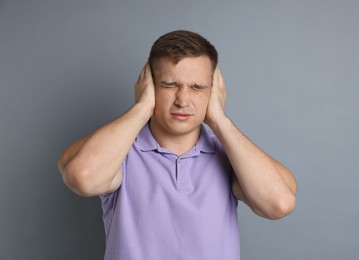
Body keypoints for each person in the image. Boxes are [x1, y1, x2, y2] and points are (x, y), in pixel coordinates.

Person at [58, 30, 297, 260]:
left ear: (214, 91)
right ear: (149, 86)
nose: (183, 100)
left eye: (197, 87)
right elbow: (82, 176)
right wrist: (141, 108)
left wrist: (220, 121)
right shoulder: (119, 151)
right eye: (169, 85)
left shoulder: (231, 156)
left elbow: (280, 203)